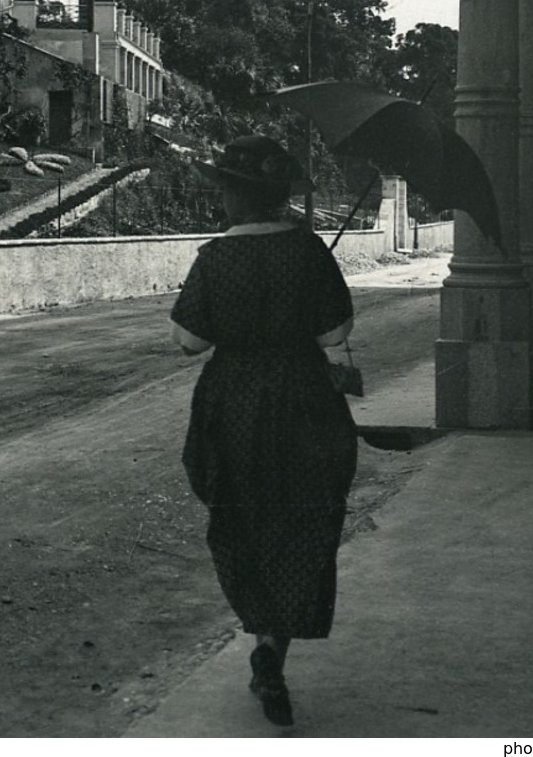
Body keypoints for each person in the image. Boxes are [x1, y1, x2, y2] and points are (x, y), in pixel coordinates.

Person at [170, 136, 356, 728]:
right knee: (303, 518)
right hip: (305, 400)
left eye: (224, 186)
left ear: (237, 196)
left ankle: (261, 637)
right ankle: (273, 650)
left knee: (241, 518)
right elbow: (334, 336)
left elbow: (189, 341)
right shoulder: (308, 252)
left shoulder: (214, 258)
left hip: (235, 405)